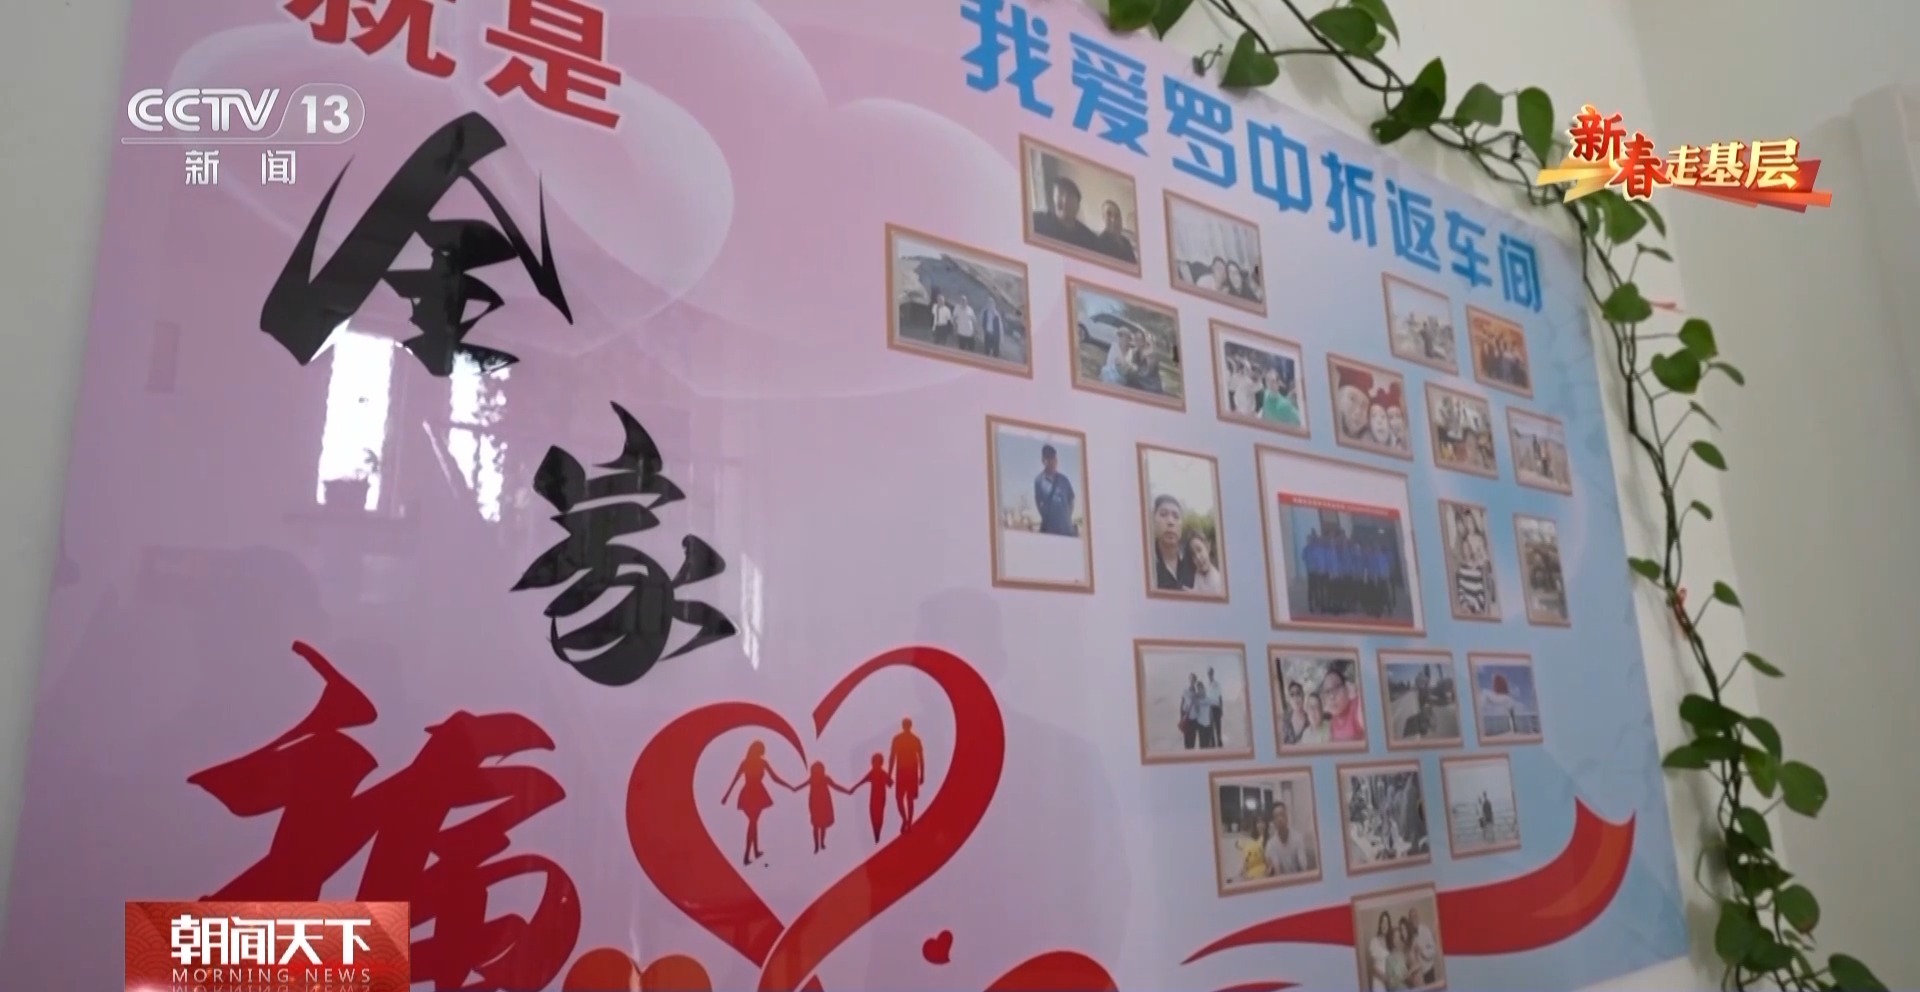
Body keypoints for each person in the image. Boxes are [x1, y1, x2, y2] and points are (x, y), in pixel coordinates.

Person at [720, 740, 795, 866]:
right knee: (753, 822)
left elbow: (775, 778)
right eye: (761, 749)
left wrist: (789, 786)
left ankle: (754, 852)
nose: (763, 752)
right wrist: (726, 796)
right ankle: (747, 854)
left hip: (756, 794)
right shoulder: (749, 763)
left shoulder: (758, 762)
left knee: (753, 823)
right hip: (751, 795)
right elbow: (735, 779)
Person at [1031, 175, 1104, 255]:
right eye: (1060, 194)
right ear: (1053, 199)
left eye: (1070, 197)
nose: (1065, 201)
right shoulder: (1037, 221)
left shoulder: (1089, 239)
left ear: (1078, 206)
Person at [791, 760, 851, 854]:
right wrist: (795, 788)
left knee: (822, 824)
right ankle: (817, 845)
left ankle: (821, 843)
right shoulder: (813, 779)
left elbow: (836, 786)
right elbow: (801, 786)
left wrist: (847, 791)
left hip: (823, 803)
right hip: (815, 803)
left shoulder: (825, 778)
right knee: (816, 825)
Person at [887, 718, 926, 833]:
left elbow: (921, 758)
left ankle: (909, 822)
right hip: (902, 771)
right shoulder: (897, 739)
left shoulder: (915, 740)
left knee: (909, 798)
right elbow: (892, 757)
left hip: (911, 771)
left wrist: (922, 774)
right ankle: (905, 819)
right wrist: (889, 774)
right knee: (899, 798)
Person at [1149, 495, 1194, 591]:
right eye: (1163, 514)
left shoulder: (1193, 558)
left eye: (1176, 516)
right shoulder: (1145, 562)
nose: (1170, 522)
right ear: (1153, 521)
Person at [1033, 444, 1078, 537]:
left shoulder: (1064, 480)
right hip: (1049, 530)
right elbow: (1038, 502)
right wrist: (1046, 517)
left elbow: (1071, 499)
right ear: (1043, 460)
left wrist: (1066, 517)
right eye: (1049, 459)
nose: (1052, 461)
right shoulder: (1039, 481)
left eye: (1054, 458)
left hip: (1067, 530)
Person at [848, 752, 893, 843]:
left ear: (880, 763)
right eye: (874, 762)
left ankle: (878, 833)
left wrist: (887, 779)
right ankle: (876, 833)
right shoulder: (872, 773)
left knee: (879, 815)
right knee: (873, 814)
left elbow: (890, 783)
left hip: (881, 797)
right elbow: (862, 781)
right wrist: (854, 788)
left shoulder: (882, 773)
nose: (874, 764)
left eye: (877, 762)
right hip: (873, 797)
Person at [1263, 801, 1315, 876]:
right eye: (1276, 816)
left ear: (1287, 817)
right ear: (1273, 821)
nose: (1280, 819)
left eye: (1282, 815)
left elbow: (1303, 867)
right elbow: (1277, 871)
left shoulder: (1298, 838)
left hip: (1299, 879)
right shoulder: (1271, 844)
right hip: (1282, 881)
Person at [1323, 667, 1366, 743]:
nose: (1332, 696)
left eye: (1336, 688)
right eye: (1328, 691)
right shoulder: (1332, 722)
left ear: (1346, 688)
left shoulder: (1357, 707)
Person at [1367, 911, 1405, 991]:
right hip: (1379, 982)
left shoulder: (1390, 942)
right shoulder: (1374, 941)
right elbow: (1373, 968)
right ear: (1380, 924)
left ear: (1389, 925)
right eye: (1383, 922)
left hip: (1391, 984)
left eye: (1387, 923)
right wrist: (1386, 978)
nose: (1384, 925)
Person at [1406, 908, 1438, 986]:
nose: (1414, 919)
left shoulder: (1426, 930)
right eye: (1412, 917)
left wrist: (1422, 952)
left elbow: (1433, 950)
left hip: (1428, 971)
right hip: (1417, 975)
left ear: (1418, 917)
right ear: (1409, 920)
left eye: (1415, 916)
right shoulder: (1409, 936)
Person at [1237, 816, 1270, 881]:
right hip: (1250, 875)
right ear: (1255, 825)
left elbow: (1271, 864)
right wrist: (1244, 874)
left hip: (1264, 876)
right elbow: (1246, 860)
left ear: (1266, 824)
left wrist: (1265, 876)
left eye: (1263, 822)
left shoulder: (1270, 841)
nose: (1261, 825)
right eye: (1258, 822)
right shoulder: (1251, 841)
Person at [1280, 680, 1309, 745]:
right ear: (1289, 700)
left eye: (1298, 693)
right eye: (1292, 695)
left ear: (1303, 697)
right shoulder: (1284, 720)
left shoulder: (1310, 720)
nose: (1295, 698)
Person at [1180, 675, 1204, 750]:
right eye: (1191, 679)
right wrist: (1181, 718)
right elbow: (1182, 704)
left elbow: (1199, 706)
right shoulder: (1185, 691)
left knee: (1192, 741)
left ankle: (1191, 753)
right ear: (1189, 680)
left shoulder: (1197, 693)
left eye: (1193, 680)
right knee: (1186, 740)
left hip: (1194, 719)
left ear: (1195, 681)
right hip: (1187, 718)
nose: (1192, 681)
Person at [1205, 668, 1224, 750]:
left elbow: (1220, 697)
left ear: (1213, 673)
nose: (1210, 675)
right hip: (1209, 708)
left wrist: (1221, 708)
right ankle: (1212, 744)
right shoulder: (1206, 685)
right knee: (1210, 726)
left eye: (1211, 673)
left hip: (1216, 707)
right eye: (1208, 673)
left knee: (1218, 726)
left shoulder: (1217, 684)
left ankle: (1219, 742)